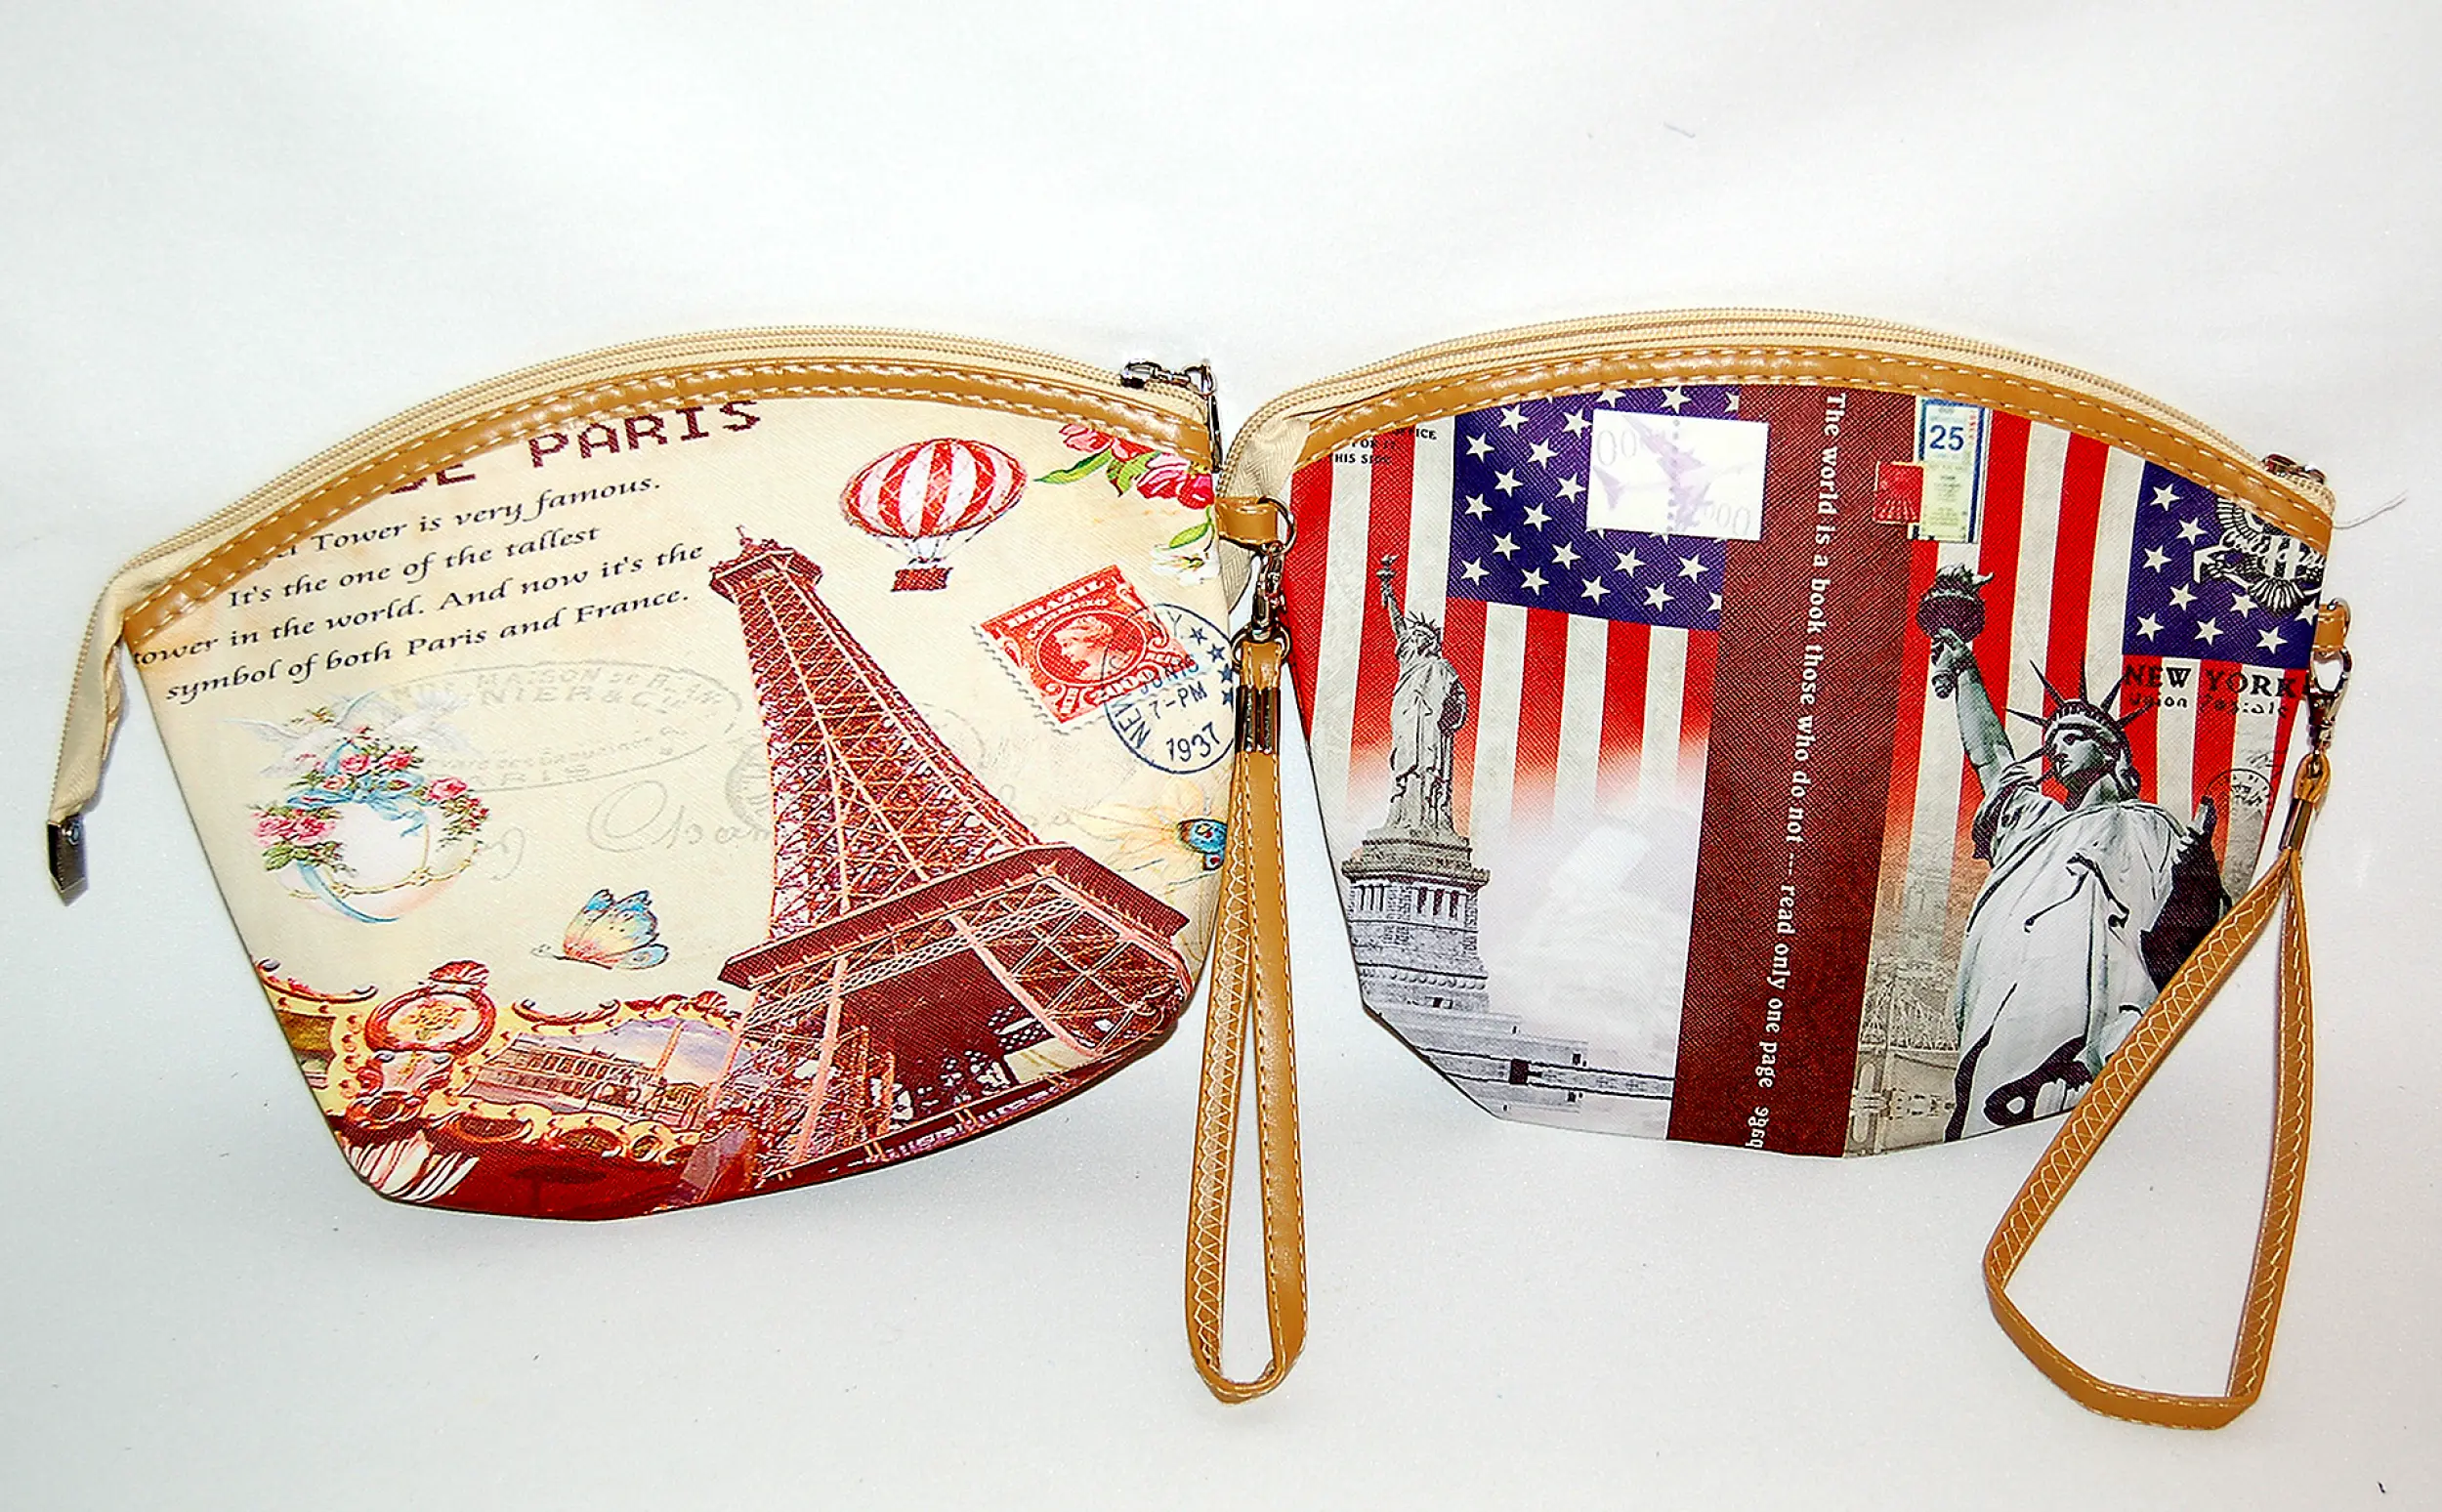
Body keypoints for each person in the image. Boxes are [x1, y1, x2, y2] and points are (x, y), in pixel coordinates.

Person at [1928, 614, 2226, 1140]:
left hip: (2107, 1011)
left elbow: (2189, 937)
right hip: (2018, 1004)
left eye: (2072, 737)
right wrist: (1966, 668)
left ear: (2109, 750)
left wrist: (2196, 870)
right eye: (2053, 741)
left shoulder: (2151, 825)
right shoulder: (2036, 823)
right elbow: (1993, 759)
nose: (2057, 749)